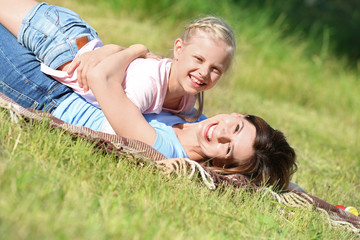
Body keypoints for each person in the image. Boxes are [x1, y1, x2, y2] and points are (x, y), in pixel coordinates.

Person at [0, 22, 297, 190]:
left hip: (43, 92)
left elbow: (102, 80)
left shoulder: (165, 149)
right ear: (236, 115)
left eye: (228, 148)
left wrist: (137, 48)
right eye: (234, 127)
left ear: (223, 166)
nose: (219, 134)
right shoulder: (193, 116)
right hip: (67, 67)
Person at [0, 0, 236, 126]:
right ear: (178, 49)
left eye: (216, 69)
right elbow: (122, 126)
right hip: (60, 41)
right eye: (199, 59)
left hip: (76, 43)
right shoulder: (150, 84)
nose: (204, 73)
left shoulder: (188, 99)